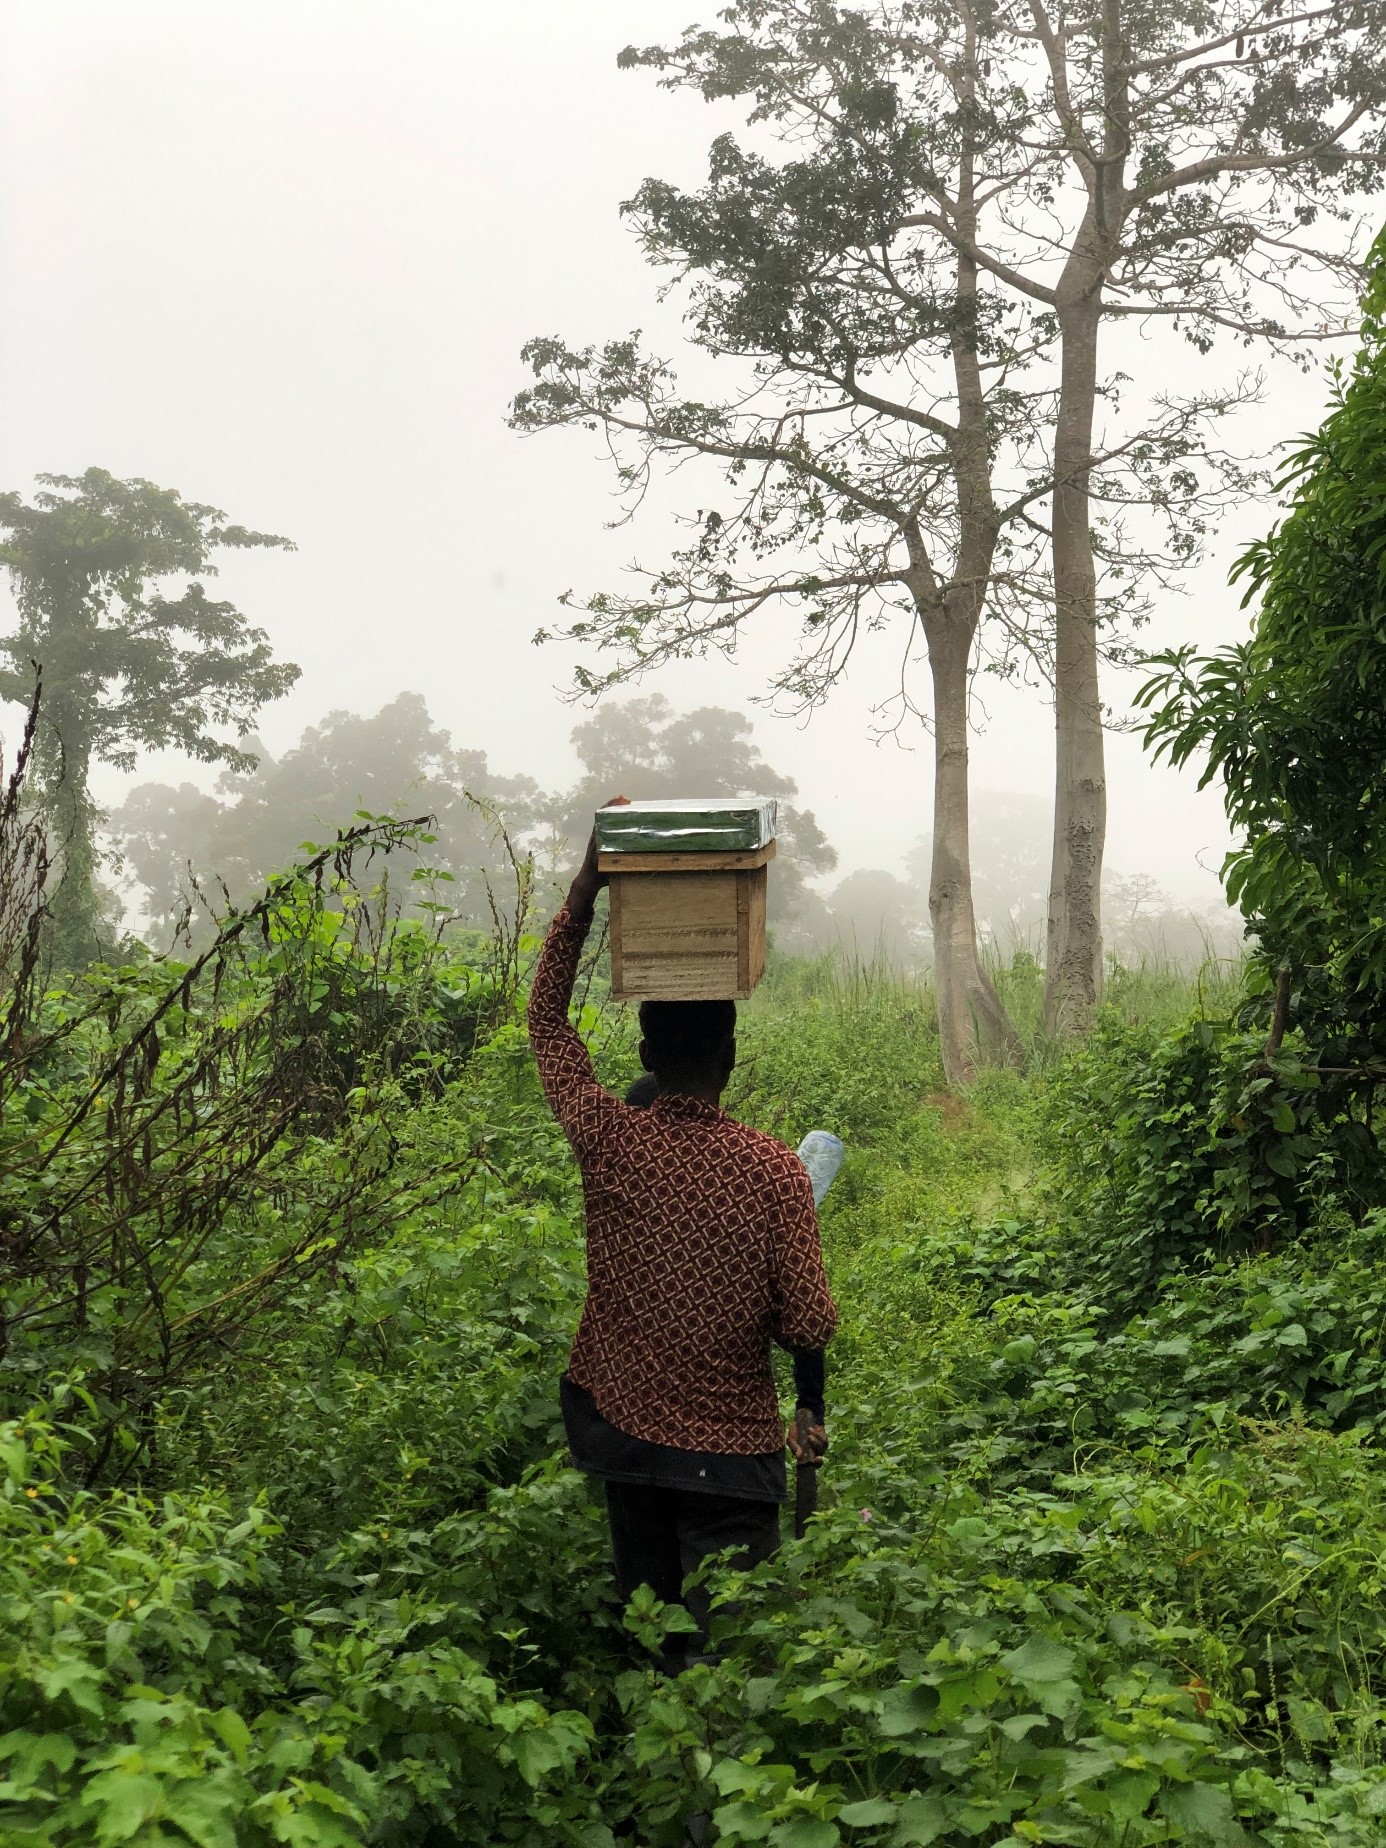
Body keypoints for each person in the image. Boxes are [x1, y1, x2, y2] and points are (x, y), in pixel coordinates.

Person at [528, 828, 838, 1666]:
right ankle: (712, 1797)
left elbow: (546, 1025)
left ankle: (656, 1783)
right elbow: (807, 1322)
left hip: (624, 1443)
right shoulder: (775, 1172)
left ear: (646, 1056)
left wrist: (587, 892)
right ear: (731, 1058)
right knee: (731, 1665)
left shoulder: (607, 1137)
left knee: (652, 1649)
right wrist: (807, 1399)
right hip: (731, 1459)